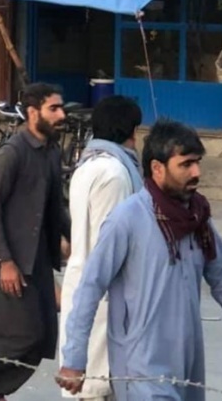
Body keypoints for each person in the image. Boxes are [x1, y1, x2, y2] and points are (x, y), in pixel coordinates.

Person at [57, 119, 222, 400]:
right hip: (141, 368)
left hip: (187, 366)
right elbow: (90, 287)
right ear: (157, 168)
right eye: (186, 164)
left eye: (197, 162)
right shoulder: (127, 219)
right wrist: (75, 357)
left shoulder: (197, 218)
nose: (196, 172)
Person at [0, 83, 70, 401]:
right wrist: (5, 261)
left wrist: (73, 240)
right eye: (54, 109)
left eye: (61, 108)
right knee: (23, 336)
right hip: (12, 262)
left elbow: (54, 207)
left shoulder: (51, 151)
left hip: (39, 262)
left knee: (43, 338)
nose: (62, 115)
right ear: (33, 113)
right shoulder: (12, 153)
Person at [58, 96, 143, 401]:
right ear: (130, 131)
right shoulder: (113, 174)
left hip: (86, 279)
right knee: (96, 386)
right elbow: (110, 244)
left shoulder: (90, 162)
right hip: (102, 290)